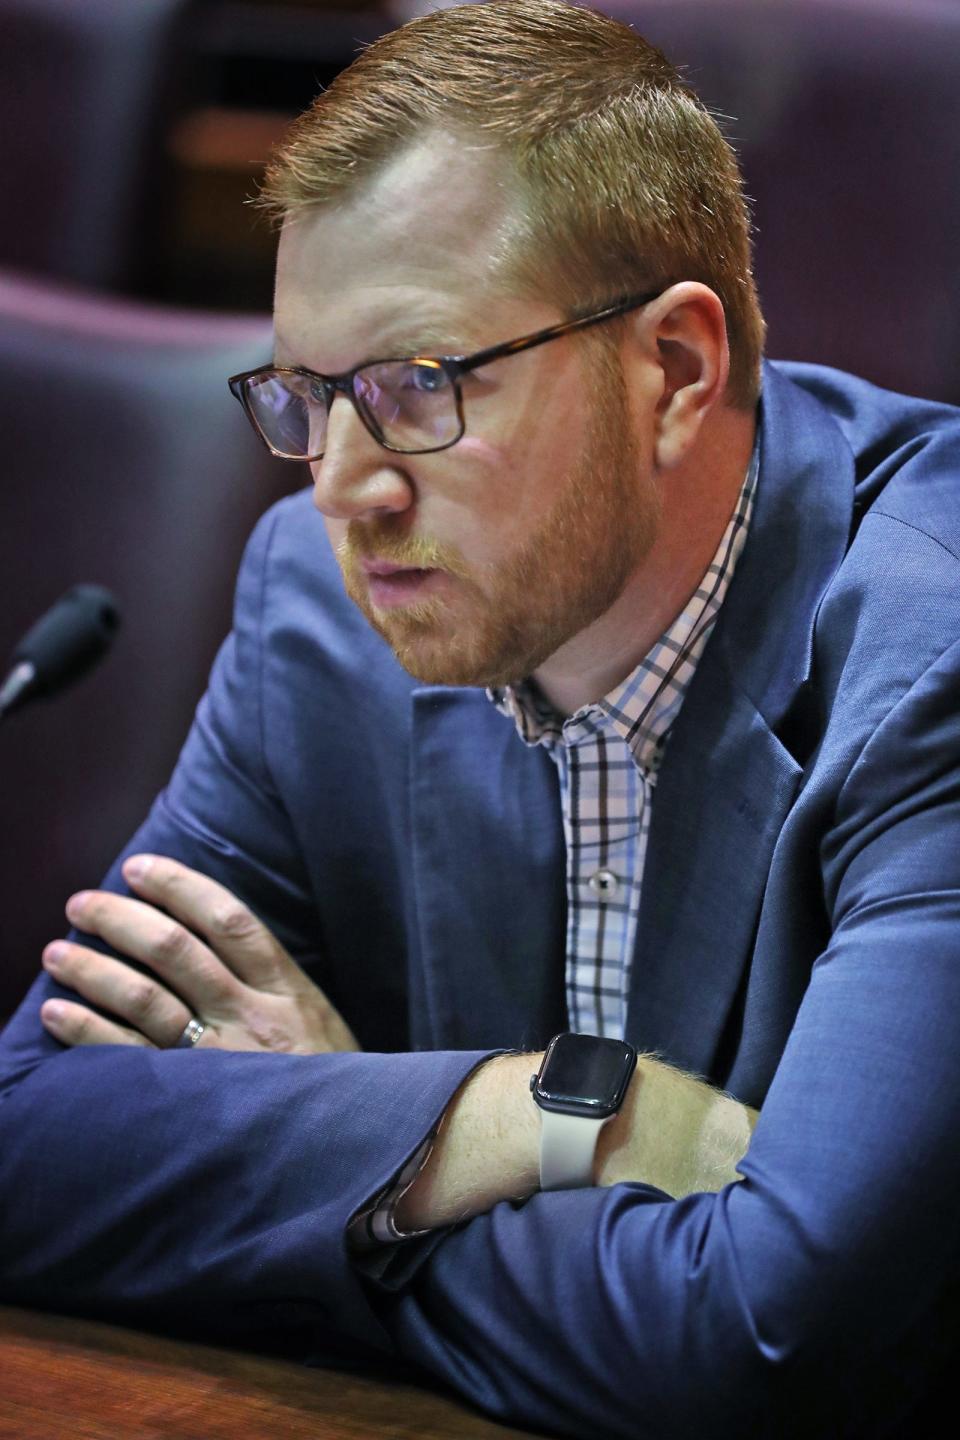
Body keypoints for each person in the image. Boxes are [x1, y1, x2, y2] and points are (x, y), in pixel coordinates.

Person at [2, 2, 959, 1434]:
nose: (340, 486)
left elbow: (766, 1332)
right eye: (307, 397)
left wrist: (327, 1185)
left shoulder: (930, 652)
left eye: (415, 387)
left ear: (677, 373)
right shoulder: (325, 618)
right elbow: (27, 1144)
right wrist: (494, 1123)